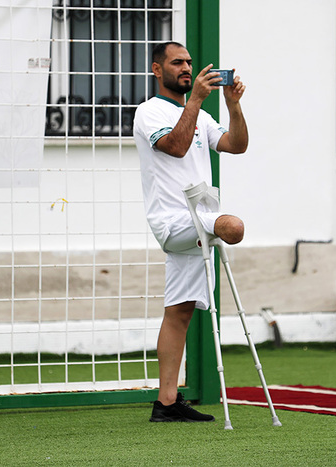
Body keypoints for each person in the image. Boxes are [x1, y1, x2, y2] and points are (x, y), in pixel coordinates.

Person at [132, 41, 249, 422]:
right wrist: (196, 101)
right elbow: (176, 148)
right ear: (156, 69)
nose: (186, 68)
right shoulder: (148, 112)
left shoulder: (200, 113)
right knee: (233, 226)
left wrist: (232, 105)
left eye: (189, 63)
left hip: (197, 224)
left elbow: (236, 145)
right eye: (177, 63)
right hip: (173, 221)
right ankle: (167, 400)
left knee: (179, 311)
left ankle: (166, 403)